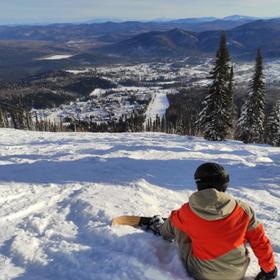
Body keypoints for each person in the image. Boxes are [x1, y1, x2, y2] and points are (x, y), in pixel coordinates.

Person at [150, 162, 277, 280]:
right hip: (237, 272)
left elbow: (171, 226)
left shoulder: (187, 211)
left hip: (201, 272)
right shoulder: (243, 210)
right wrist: (269, 270)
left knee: (177, 223)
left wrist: (163, 228)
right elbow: (259, 240)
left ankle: (160, 226)